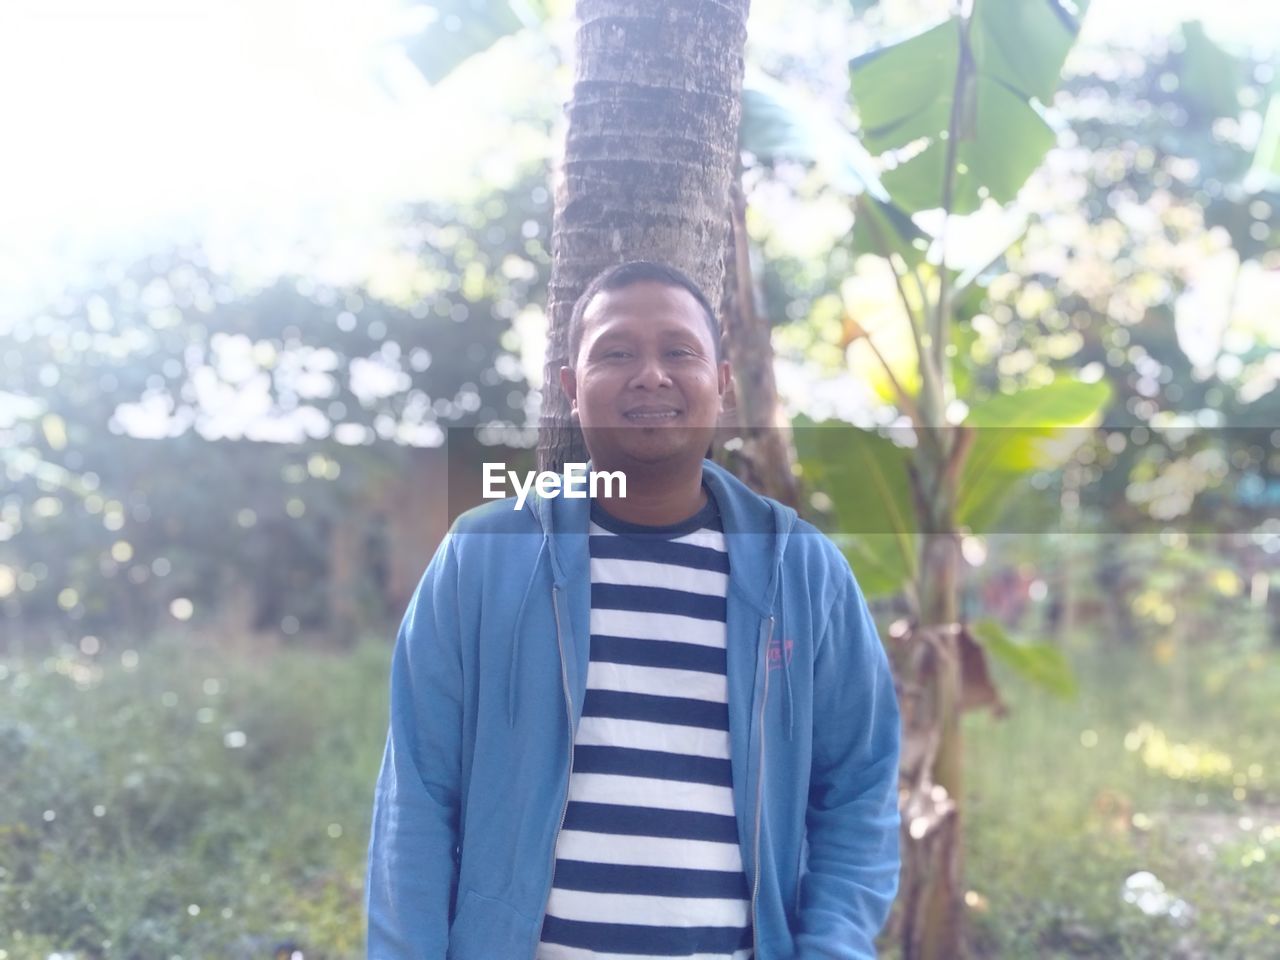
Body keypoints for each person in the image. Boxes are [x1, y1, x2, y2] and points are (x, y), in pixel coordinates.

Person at [365, 261, 902, 959]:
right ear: (570, 388)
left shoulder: (801, 570)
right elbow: (419, 796)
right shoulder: (482, 556)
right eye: (616, 353)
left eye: (679, 351)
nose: (651, 375)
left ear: (723, 381)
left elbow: (859, 791)